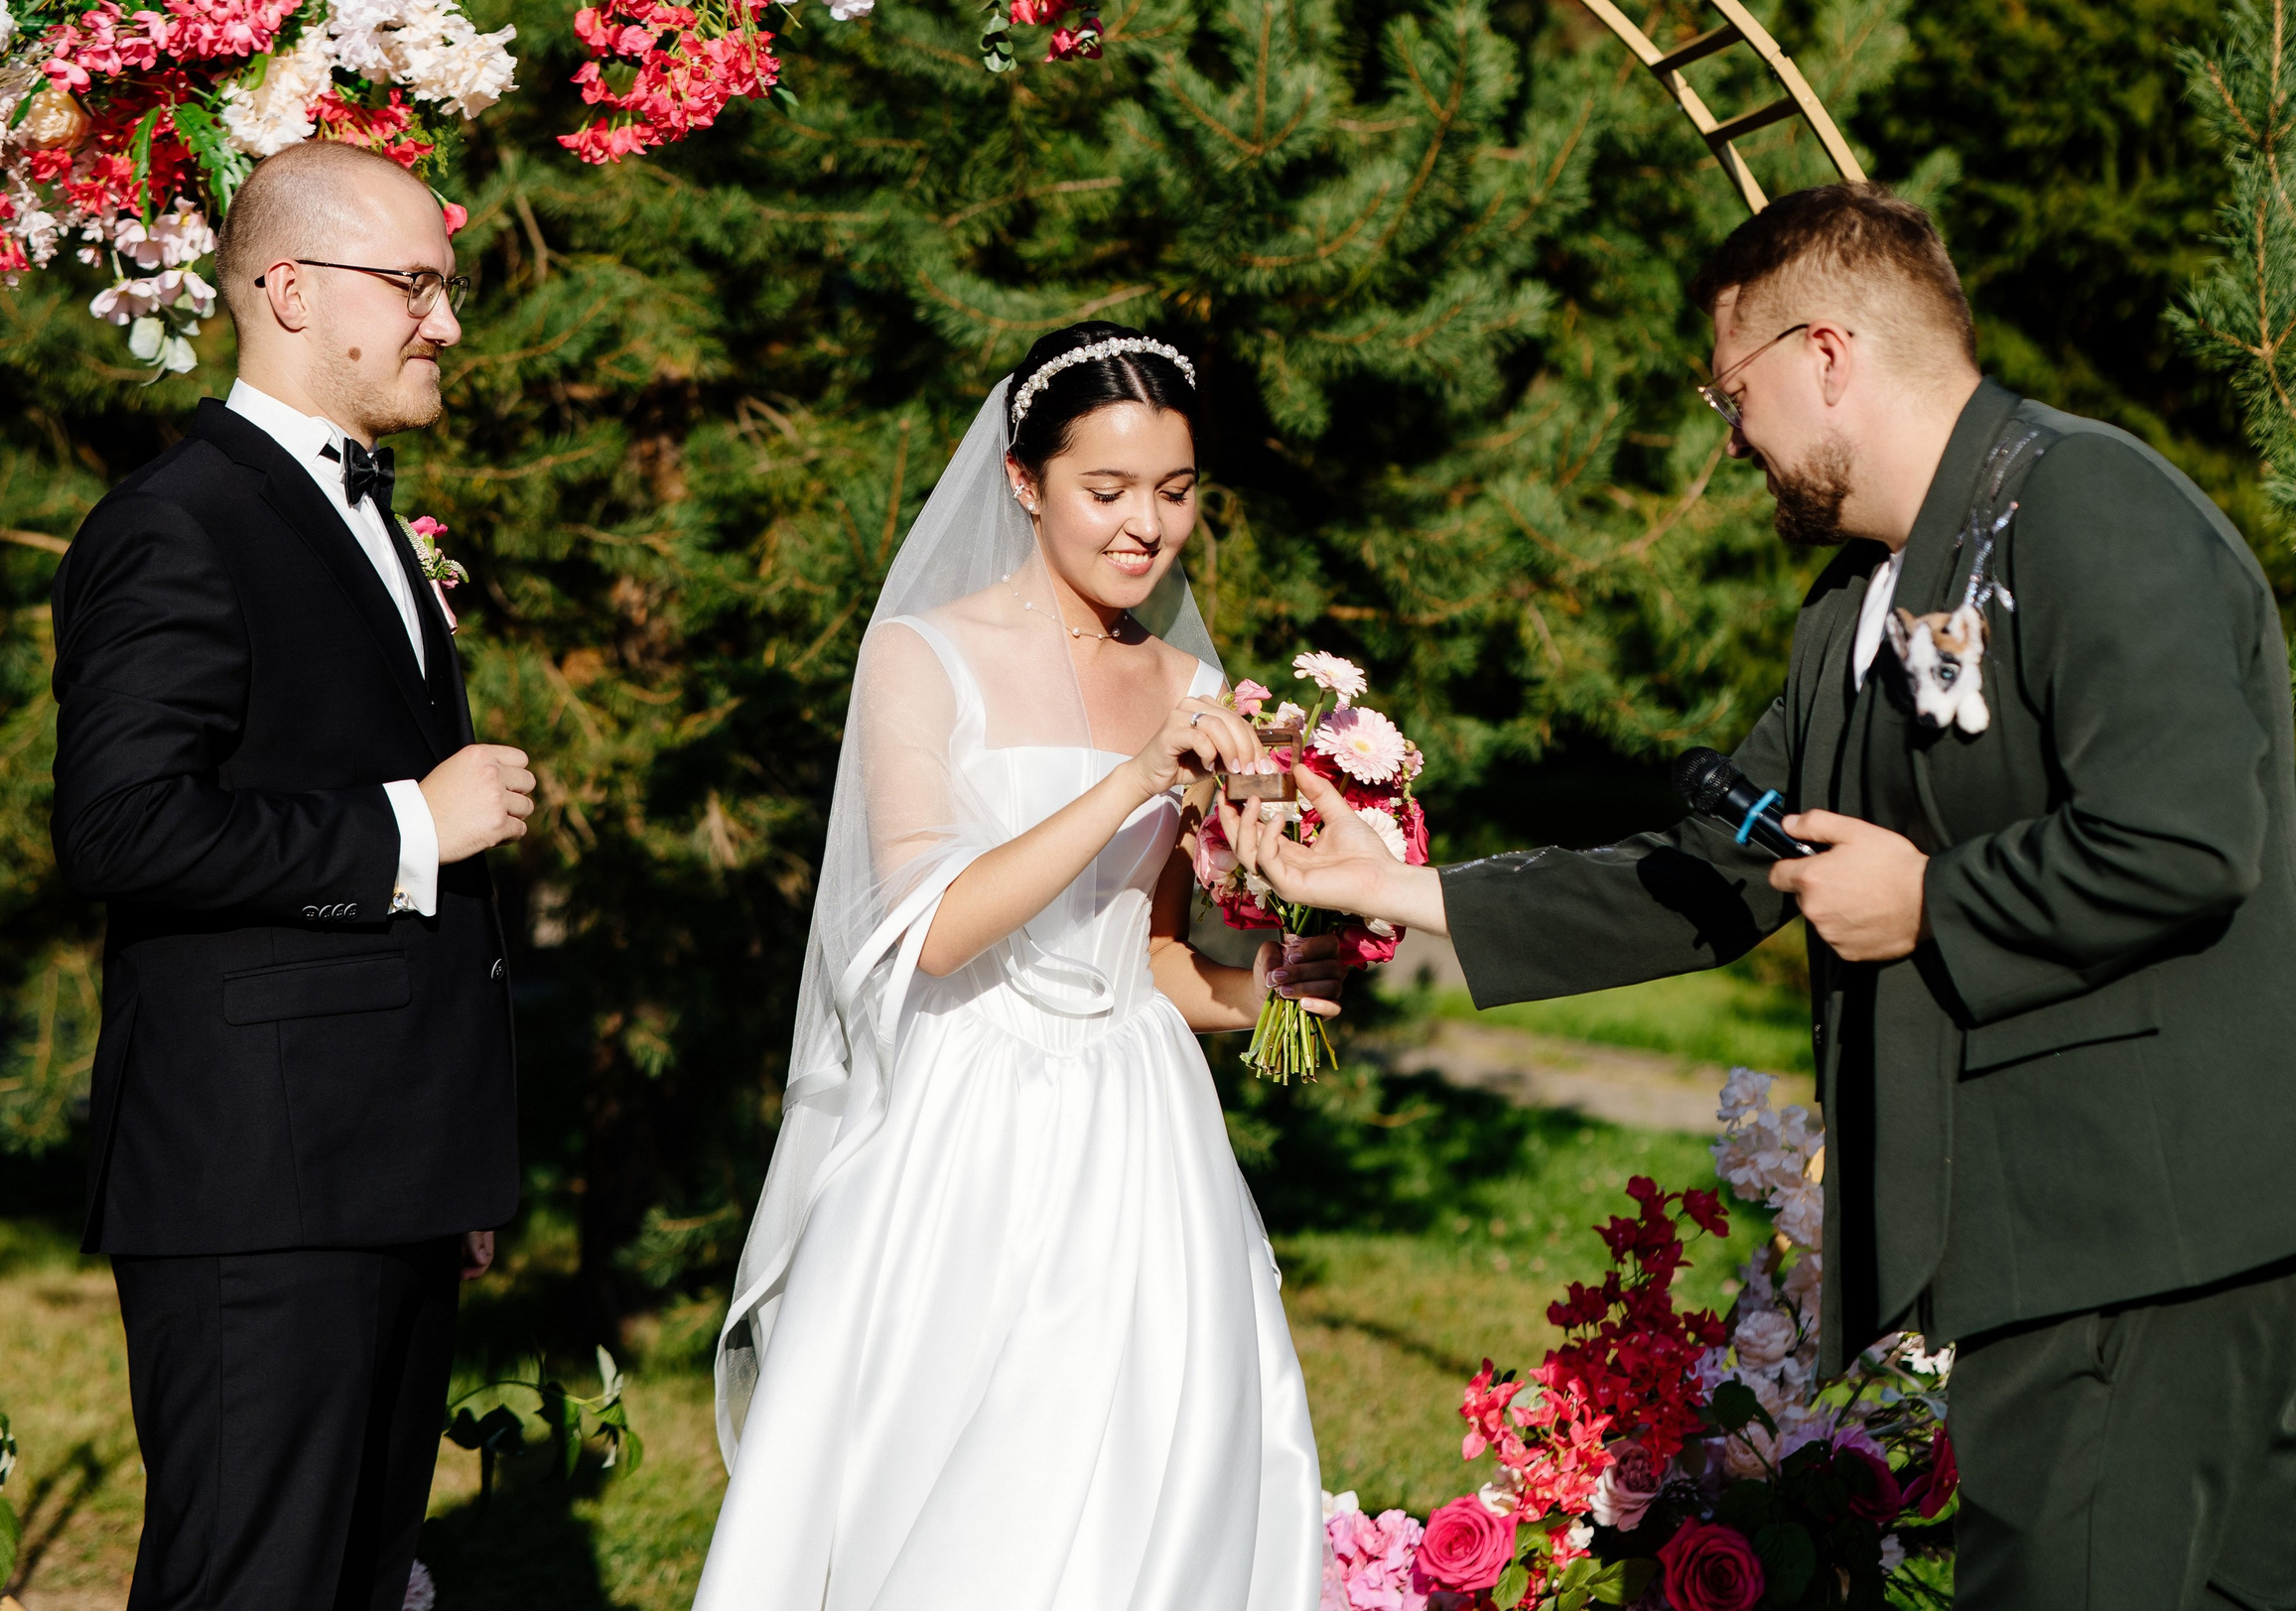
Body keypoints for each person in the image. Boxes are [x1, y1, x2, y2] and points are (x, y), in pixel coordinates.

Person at [1224, 184, 2296, 1610]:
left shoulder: (2087, 503)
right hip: (2067, 1246)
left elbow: (2185, 836)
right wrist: (1389, 886)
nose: (1730, 438)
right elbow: (1729, 876)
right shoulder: (1858, 600)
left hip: (2145, 1230)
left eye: (1734, 394)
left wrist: (1934, 904)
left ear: (1828, 351)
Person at [695, 322, 1334, 1611]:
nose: (1146, 527)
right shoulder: (921, 657)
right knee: (965, 1490)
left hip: (1143, 1127)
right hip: (963, 1124)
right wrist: (1135, 781)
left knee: (1155, 1478)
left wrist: (1271, 992)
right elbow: (930, 925)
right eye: (1108, 491)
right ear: (1026, 482)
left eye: (1175, 490)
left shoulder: (1193, 679)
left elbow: (1146, 953)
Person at [50, 139, 532, 1611]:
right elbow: (123, 827)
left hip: (383, 1165)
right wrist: (409, 827)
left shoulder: (357, 508)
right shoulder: (180, 522)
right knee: (252, 1584)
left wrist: (453, 1148)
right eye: (414, 287)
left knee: (360, 1578)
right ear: (287, 288)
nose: (445, 322)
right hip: (257, 1187)